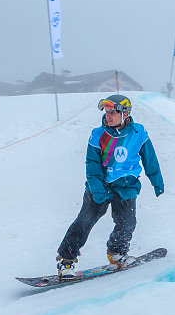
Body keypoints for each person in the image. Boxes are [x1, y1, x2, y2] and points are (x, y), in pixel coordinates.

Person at [56, 94, 164, 280]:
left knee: (127, 223)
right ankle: (66, 260)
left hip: (126, 186)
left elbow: (150, 158)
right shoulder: (98, 135)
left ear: (125, 114)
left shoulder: (139, 132)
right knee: (84, 222)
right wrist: (98, 190)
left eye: (113, 112)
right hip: (100, 186)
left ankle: (116, 253)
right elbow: (92, 165)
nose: (109, 115)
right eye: (107, 112)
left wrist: (157, 181)